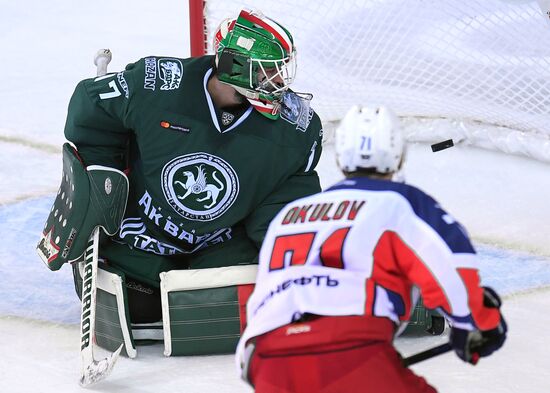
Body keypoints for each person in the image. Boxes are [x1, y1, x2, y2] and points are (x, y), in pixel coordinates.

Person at [36, 8, 323, 357]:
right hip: (139, 239)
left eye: (280, 70)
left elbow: (284, 205)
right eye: (266, 71)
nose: (278, 81)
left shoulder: (297, 129)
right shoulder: (157, 83)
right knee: (137, 306)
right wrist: (102, 173)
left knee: (248, 283)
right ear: (232, 64)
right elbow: (89, 107)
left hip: (216, 245)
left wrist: (295, 268)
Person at [235, 105, 507, 392]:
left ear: (340, 156)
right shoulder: (399, 202)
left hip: (267, 356)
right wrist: (477, 321)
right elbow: (451, 266)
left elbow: (263, 293)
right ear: (398, 155)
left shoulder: (288, 215)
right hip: (350, 346)